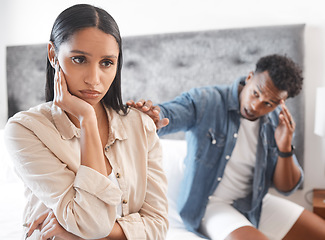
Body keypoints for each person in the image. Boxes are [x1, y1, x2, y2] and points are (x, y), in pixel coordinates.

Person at [4, 4, 168, 240]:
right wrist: (87, 119)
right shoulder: (24, 130)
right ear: (53, 55)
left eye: (106, 63)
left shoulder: (140, 125)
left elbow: (158, 225)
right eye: (79, 59)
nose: (94, 79)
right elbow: (94, 223)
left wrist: (78, 231)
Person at [128, 54, 325, 240]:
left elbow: (286, 188)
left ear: (280, 102)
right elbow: (170, 113)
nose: (256, 106)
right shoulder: (206, 100)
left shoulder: (276, 122)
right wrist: (151, 116)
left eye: (269, 103)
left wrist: (284, 147)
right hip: (212, 204)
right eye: (256, 93)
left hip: (255, 202)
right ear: (249, 77)